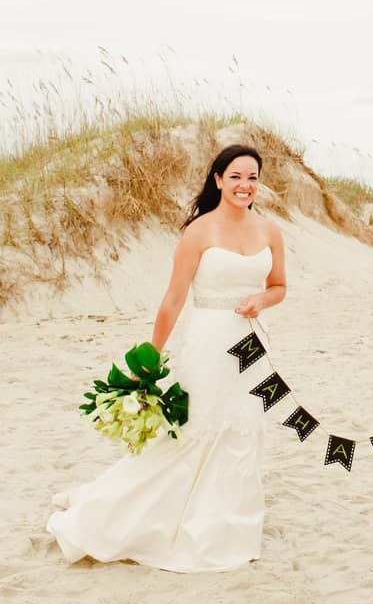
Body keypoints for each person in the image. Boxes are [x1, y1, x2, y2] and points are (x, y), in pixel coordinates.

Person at [48, 144, 287, 572]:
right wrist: (150, 359)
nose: (244, 185)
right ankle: (115, 513)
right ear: (217, 180)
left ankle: (231, 525)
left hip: (252, 345)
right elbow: (174, 299)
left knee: (243, 429)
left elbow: (280, 286)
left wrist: (261, 300)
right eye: (235, 176)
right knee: (197, 428)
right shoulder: (199, 231)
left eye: (252, 177)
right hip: (209, 340)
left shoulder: (269, 231)